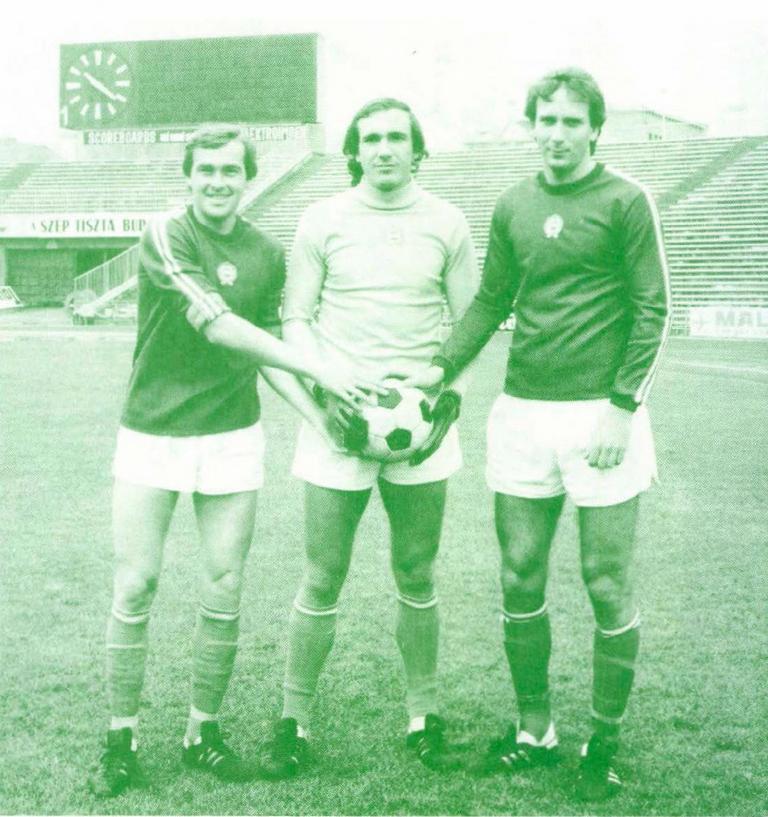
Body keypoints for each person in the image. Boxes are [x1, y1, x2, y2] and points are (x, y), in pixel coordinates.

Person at [87, 124, 376, 798]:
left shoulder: (266, 252)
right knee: (136, 584)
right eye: (207, 170)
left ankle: (203, 731)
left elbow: (264, 346)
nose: (218, 181)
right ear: (188, 176)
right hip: (153, 432)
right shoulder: (166, 233)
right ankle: (121, 738)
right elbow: (217, 324)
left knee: (224, 585)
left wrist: (317, 416)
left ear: (248, 178)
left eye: (230, 171)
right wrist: (322, 370)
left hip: (232, 437)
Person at [406, 68, 670, 800]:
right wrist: (440, 366)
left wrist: (622, 407)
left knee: (605, 580)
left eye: (570, 121)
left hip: (601, 415)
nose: (556, 134)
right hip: (522, 412)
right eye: (545, 120)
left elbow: (653, 309)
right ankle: (535, 730)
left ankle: (602, 742)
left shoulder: (626, 200)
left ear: (595, 129)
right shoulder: (513, 203)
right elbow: (491, 299)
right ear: (532, 126)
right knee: (519, 573)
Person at [258, 98, 480, 778]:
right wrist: (325, 394)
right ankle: (294, 719)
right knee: (323, 572)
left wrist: (445, 401)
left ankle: (424, 716)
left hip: (420, 427)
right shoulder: (322, 218)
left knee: (416, 569)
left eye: (397, 138)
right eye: (372, 138)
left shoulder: (448, 222)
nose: (384, 149)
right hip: (340, 422)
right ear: (354, 151)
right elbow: (296, 319)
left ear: (418, 150)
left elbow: (470, 325)